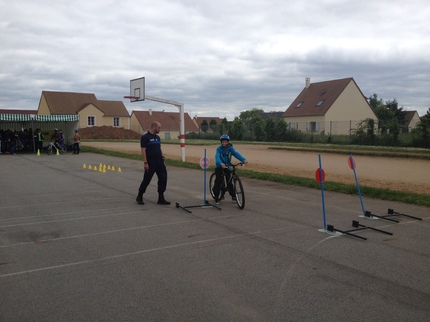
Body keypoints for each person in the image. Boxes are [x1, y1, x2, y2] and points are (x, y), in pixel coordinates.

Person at [136, 121, 170, 205]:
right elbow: (143, 151)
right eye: (159, 128)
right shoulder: (145, 137)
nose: (160, 129)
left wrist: (162, 159)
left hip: (159, 161)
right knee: (146, 180)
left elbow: (159, 149)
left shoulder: (158, 138)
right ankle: (139, 196)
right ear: (154, 127)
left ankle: (161, 198)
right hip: (150, 162)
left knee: (163, 178)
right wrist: (145, 162)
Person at [213, 134, 248, 203]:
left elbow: (236, 154)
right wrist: (220, 163)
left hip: (227, 166)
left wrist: (243, 160)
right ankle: (216, 195)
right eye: (223, 142)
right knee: (219, 181)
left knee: (229, 181)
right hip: (220, 166)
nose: (224, 143)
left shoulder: (230, 148)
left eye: (225, 142)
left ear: (228, 142)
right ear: (221, 142)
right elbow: (217, 156)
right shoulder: (219, 149)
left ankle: (233, 195)